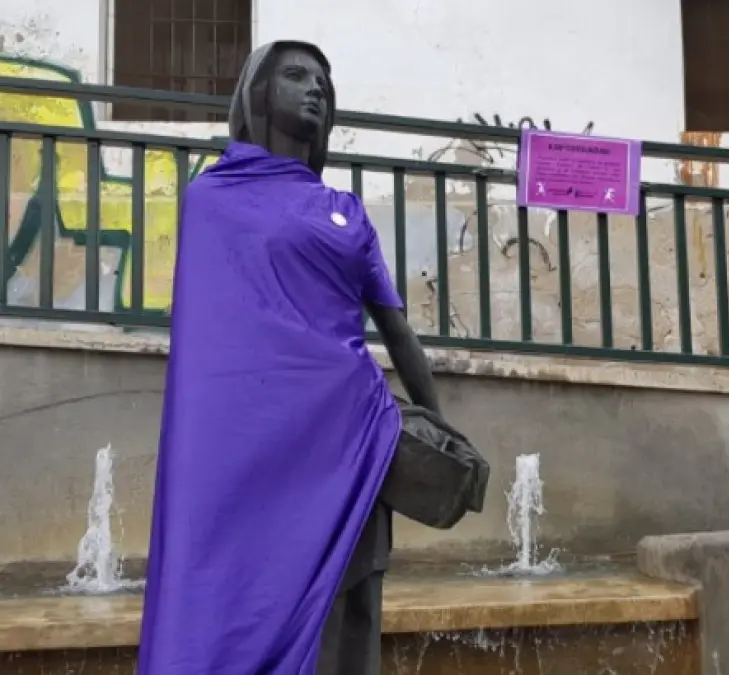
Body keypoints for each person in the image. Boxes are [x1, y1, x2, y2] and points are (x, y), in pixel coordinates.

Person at [137, 40, 441, 674]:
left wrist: (440, 425)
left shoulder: (346, 214)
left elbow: (396, 330)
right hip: (244, 453)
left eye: (323, 84)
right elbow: (211, 341)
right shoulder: (213, 198)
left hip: (351, 440)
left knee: (345, 616)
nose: (315, 90)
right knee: (229, 600)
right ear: (258, 94)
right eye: (296, 76)